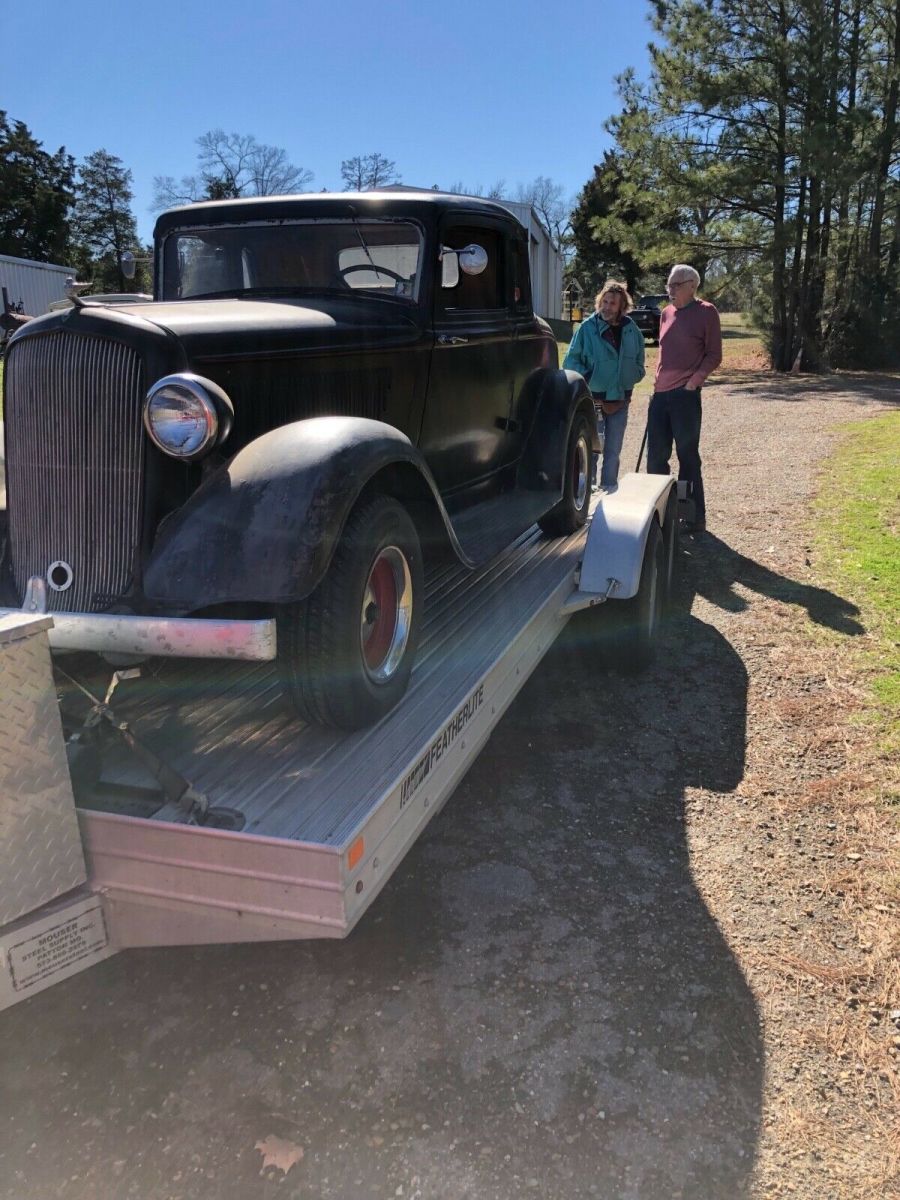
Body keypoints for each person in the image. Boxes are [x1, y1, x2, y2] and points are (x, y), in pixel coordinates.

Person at [647, 264, 722, 533]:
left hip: (685, 397)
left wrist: (693, 383)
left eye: (675, 286)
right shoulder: (666, 313)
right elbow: (663, 352)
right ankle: (659, 515)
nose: (670, 291)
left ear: (692, 285)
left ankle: (692, 518)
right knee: (656, 457)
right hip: (661, 395)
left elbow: (714, 355)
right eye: (669, 285)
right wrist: (656, 380)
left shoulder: (706, 312)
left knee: (687, 456)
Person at [563, 281, 645, 491]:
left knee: (613, 451)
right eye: (605, 302)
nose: (607, 307)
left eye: (613, 303)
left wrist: (633, 376)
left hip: (620, 399)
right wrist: (590, 377)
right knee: (590, 451)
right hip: (594, 400)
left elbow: (639, 360)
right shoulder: (586, 328)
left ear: (622, 306)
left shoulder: (631, 330)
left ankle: (609, 489)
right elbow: (570, 361)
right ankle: (585, 492)